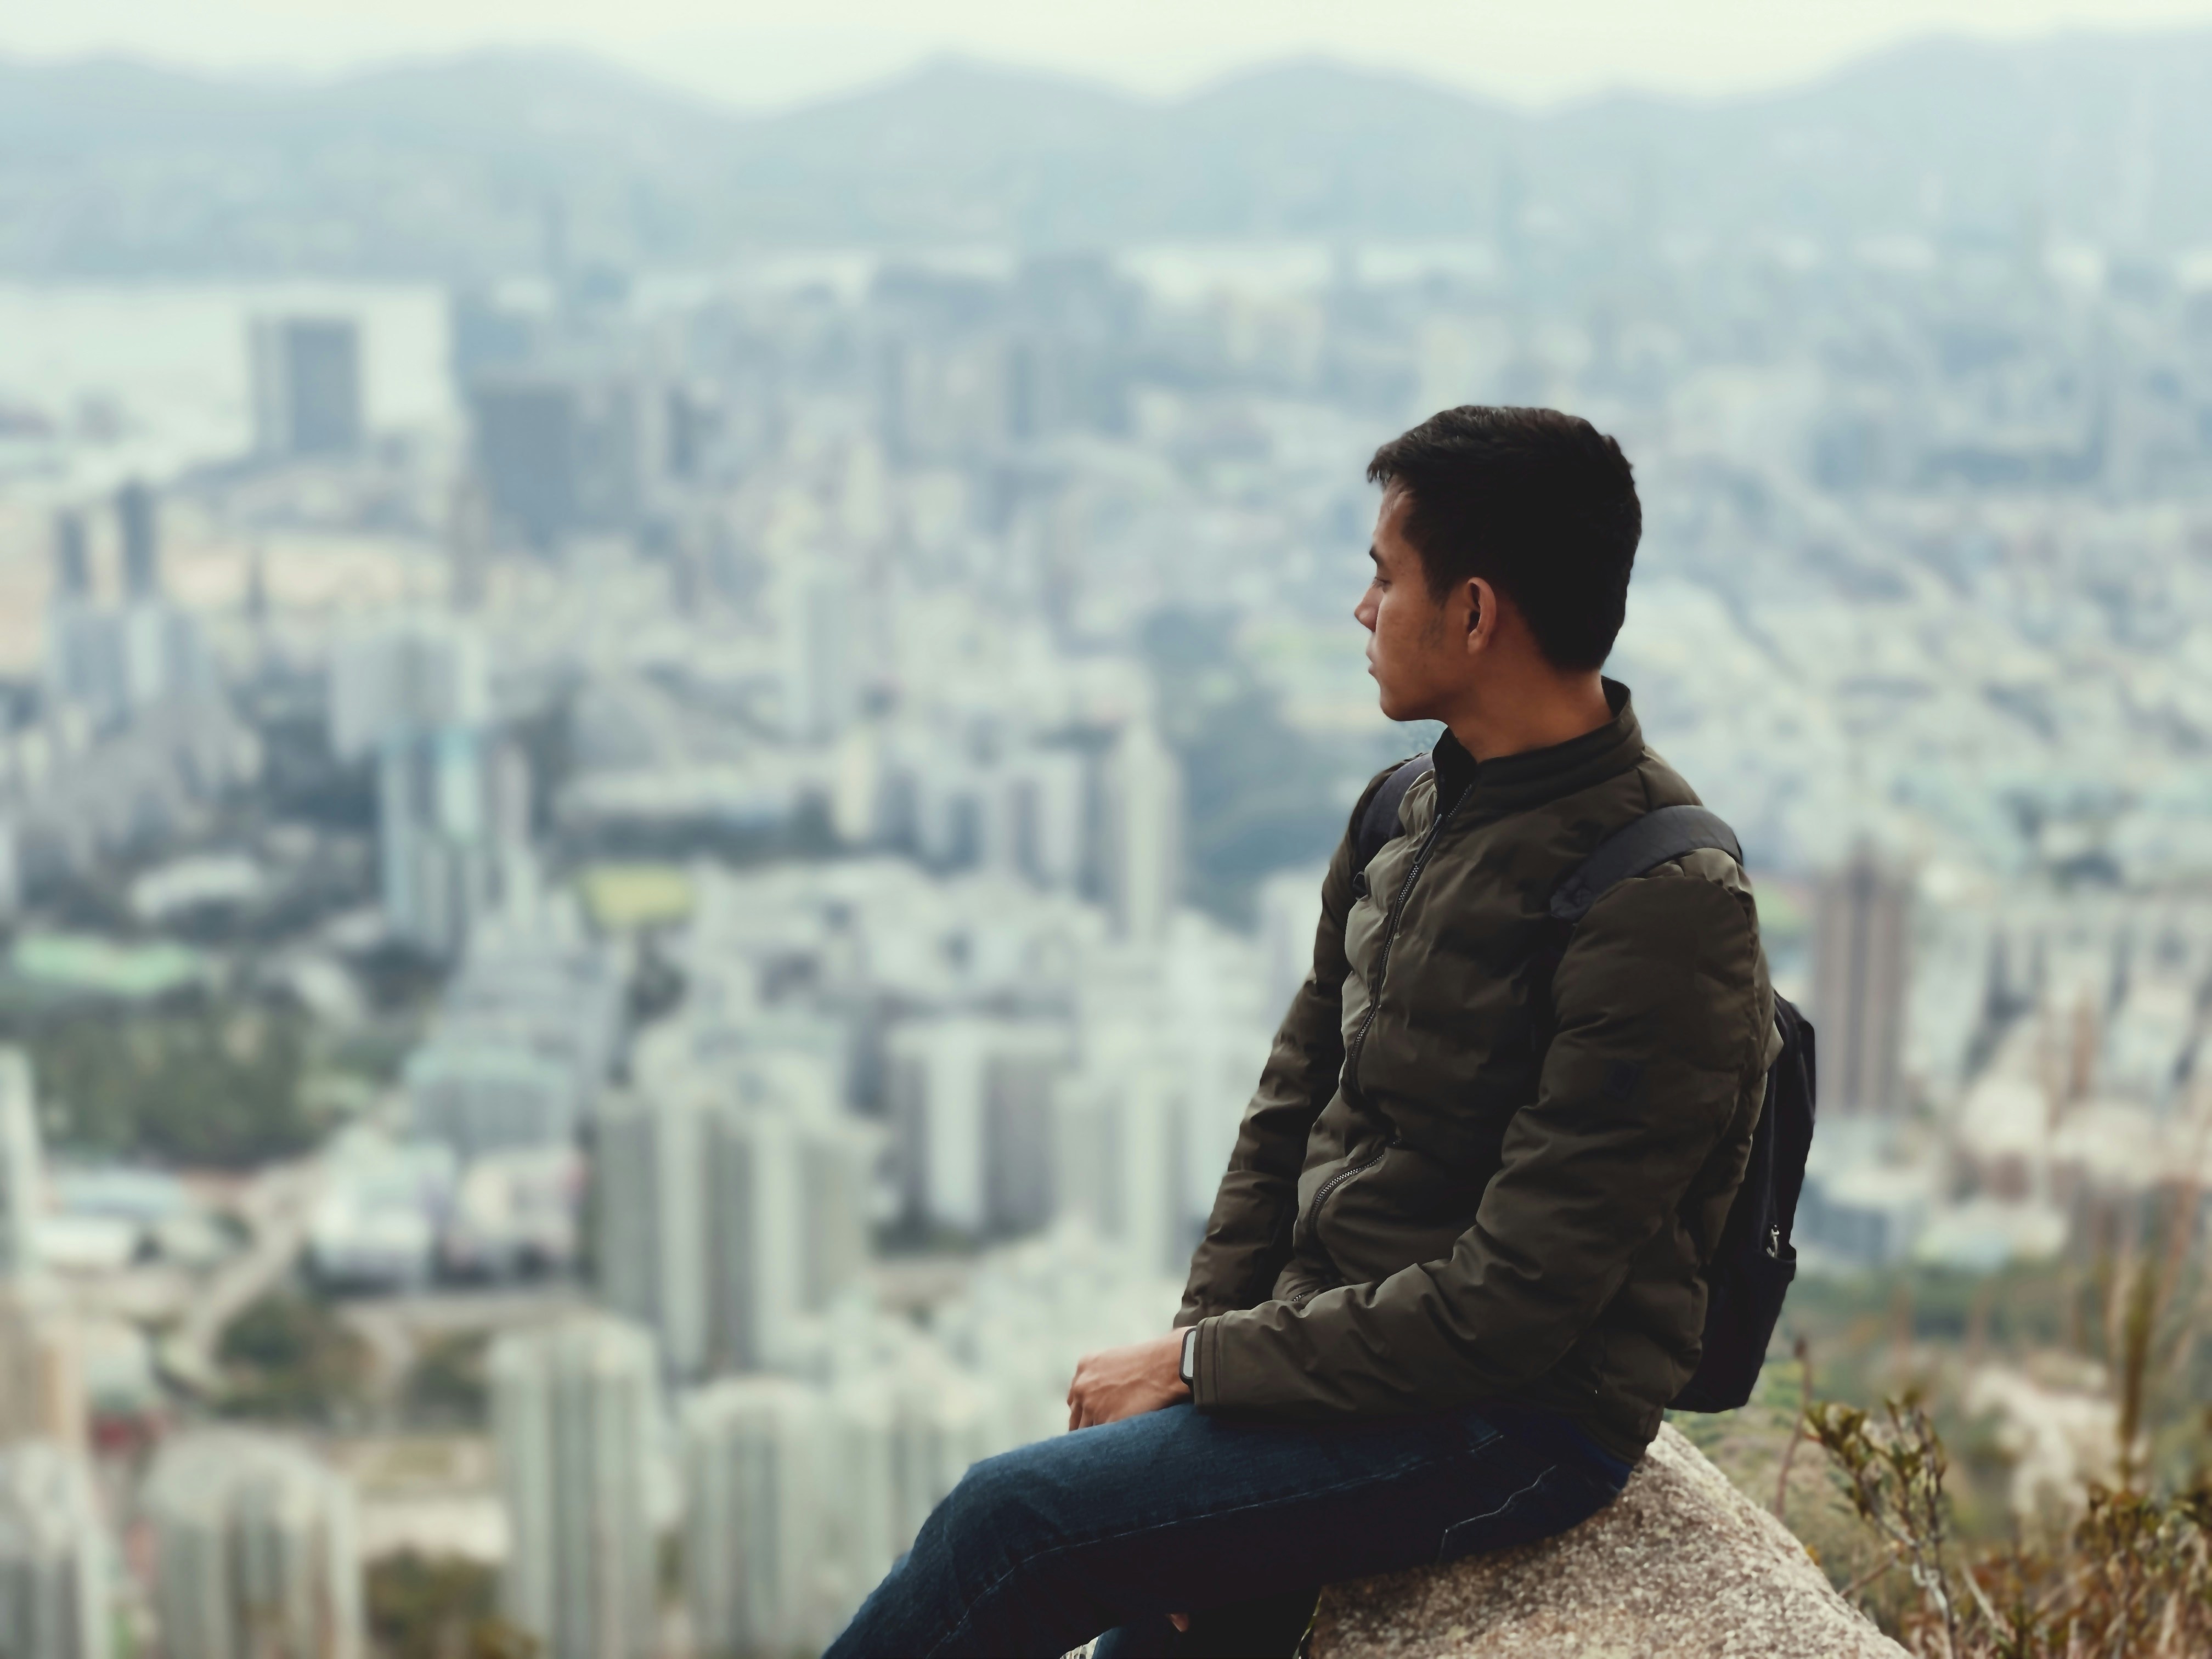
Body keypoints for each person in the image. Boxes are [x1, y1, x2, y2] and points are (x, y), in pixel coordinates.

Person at [824, 406, 1779, 1659]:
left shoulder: (1665, 901)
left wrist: (1203, 1370)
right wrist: (1184, 1367)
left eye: (1385, 578)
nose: (1361, 610)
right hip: (1337, 1360)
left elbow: (1514, 1312)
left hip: (1519, 1423)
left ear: (1477, 613)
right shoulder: (1405, 811)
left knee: (1012, 1522)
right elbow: (1287, 1122)